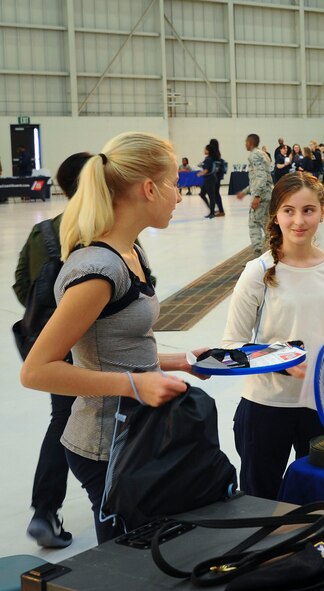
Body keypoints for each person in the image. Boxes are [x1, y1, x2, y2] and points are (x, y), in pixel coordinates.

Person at [19, 132, 203, 544]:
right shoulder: (99, 269)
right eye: (174, 183)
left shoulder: (130, 252)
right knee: (131, 562)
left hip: (137, 432)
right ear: (149, 188)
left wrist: (182, 360)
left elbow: (116, 346)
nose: (179, 194)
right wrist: (135, 384)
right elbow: (36, 371)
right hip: (108, 447)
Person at [222, 172, 324, 499]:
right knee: (260, 499)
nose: (298, 220)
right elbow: (231, 346)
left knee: (321, 497)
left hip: (322, 404)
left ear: (323, 211)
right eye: (288, 210)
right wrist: (280, 362)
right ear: (276, 214)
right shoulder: (258, 271)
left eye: (308, 210)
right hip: (267, 405)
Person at [13, 153, 93, 549]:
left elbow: (21, 286)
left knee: (61, 420)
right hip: (98, 346)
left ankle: (45, 509)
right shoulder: (106, 233)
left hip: (53, 345)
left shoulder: (43, 232)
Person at [236, 134, 274, 257]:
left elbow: (261, 176)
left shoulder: (254, 155)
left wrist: (257, 196)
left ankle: (258, 254)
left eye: (246, 142)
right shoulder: (263, 154)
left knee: (254, 224)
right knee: (266, 223)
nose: (245, 144)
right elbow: (260, 178)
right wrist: (245, 191)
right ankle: (273, 251)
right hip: (267, 194)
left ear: (250, 142)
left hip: (261, 196)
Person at [197, 144, 221, 218]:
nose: (204, 150)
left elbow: (206, 170)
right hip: (208, 179)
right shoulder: (208, 158)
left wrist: (199, 174)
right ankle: (211, 209)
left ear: (208, 150)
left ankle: (212, 212)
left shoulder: (209, 159)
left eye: (205, 149)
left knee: (211, 196)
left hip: (210, 179)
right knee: (202, 194)